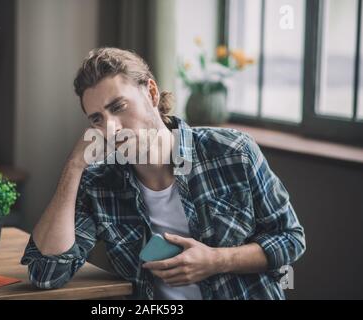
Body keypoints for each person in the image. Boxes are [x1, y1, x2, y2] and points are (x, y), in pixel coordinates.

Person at [21, 47, 306, 300]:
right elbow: (46, 273)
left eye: (118, 107)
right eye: (97, 118)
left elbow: (290, 238)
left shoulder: (233, 151)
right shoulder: (100, 183)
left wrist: (217, 260)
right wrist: (74, 166)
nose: (110, 128)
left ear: (152, 93)